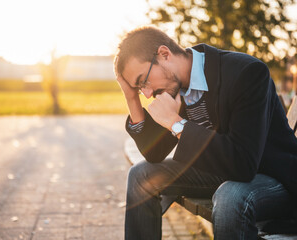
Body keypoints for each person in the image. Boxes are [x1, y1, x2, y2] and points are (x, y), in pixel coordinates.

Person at [113, 26, 297, 240]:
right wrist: (131, 98)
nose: (147, 92)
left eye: (143, 81)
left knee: (230, 196)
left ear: (164, 54)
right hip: (221, 173)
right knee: (141, 175)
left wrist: (176, 123)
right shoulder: (173, 87)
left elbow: (244, 164)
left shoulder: (247, 73)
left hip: (272, 178)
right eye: (139, 87)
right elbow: (154, 153)